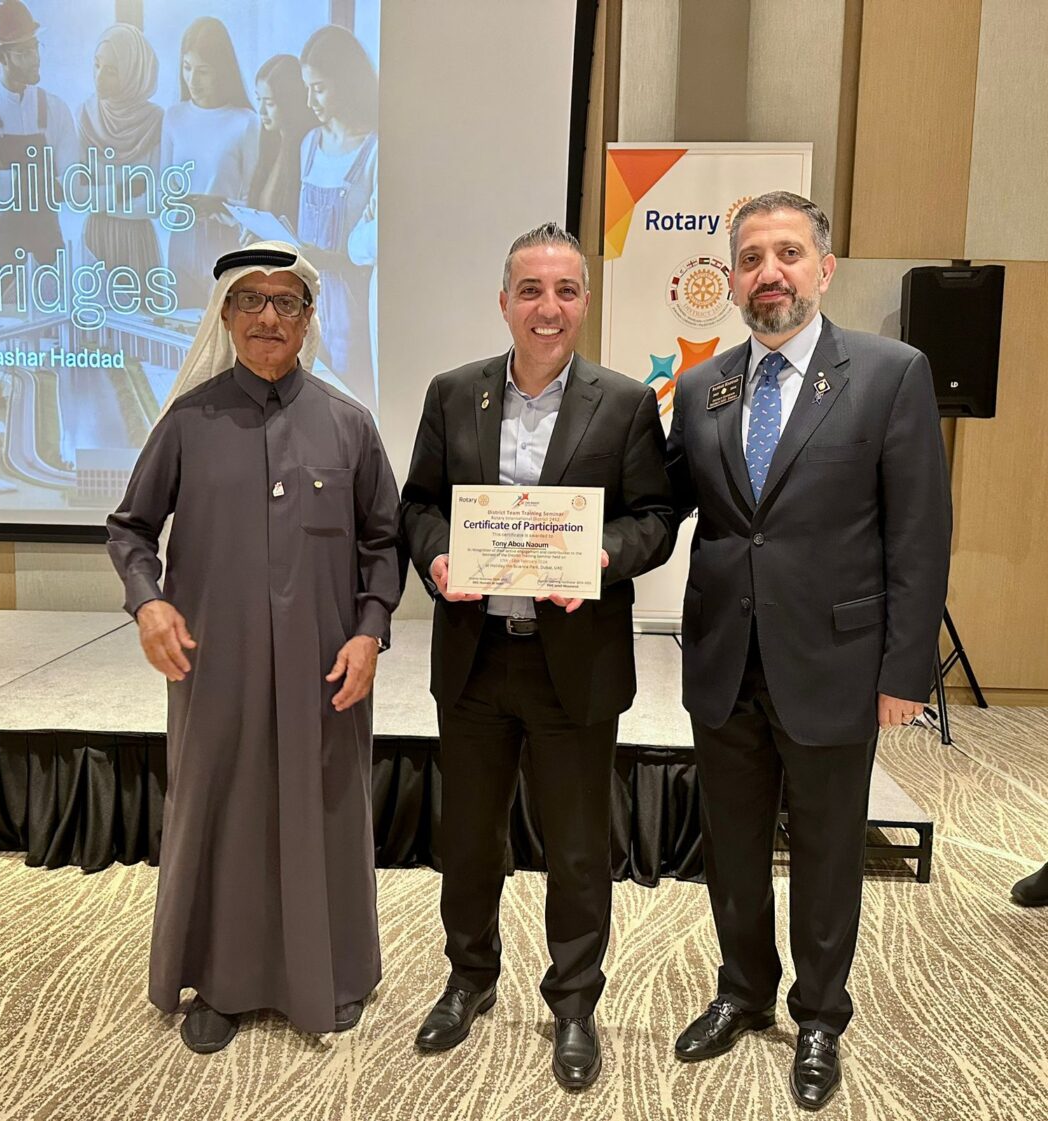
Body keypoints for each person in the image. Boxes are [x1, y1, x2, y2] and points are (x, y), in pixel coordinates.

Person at [664, 191, 951, 1110]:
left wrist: (905, 670)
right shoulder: (703, 387)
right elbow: (661, 507)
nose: (769, 273)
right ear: (732, 279)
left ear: (824, 269)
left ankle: (821, 1014)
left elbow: (919, 535)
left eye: (787, 253)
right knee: (732, 844)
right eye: (751, 258)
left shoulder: (889, 373)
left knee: (827, 849)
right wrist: (571, 542)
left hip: (836, 661)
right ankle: (744, 989)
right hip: (724, 659)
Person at [107, 240, 402, 1052]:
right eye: (252, 301)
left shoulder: (349, 424)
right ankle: (221, 981)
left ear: (308, 319)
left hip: (326, 666)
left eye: (286, 303)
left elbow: (385, 542)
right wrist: (148, 603)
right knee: (223, 808)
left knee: (325, 807)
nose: (269, 317)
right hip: (216, 661)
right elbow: (130, 528)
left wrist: (371, 631)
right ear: (228, 315)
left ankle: (330, 972)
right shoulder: (188, 421)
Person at [401, 222, 675, 1090]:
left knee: (579, 846)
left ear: (584, 302)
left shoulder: (625, 403)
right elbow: (418, 505)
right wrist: (438, 558)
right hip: (476, 657)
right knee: (469, 837)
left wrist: (601, 558)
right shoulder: (455, 393)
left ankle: (574, 1002)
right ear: (504, 301)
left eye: (563, 290)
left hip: (575, 663)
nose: (546, 307)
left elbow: (655, 520)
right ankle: (469, 977)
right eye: (530, 290)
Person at [0, 0, 78, 284]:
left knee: (53, 311)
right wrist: (41, 179)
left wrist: (5, 176)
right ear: (1, 56)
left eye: (35, 47)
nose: (35, 59)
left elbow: (72, 185)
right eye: (24, 52)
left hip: (47, 250)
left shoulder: (55, 109)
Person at [297, 26, 378, 411]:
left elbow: (373, 244)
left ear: (345, 83)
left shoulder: (374, 149)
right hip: (306, 299)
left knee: (351, 404)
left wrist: (331, 257)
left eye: (319, 89)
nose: (309, 100)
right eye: (307, 88)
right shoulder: (309, 144)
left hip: (351, 305)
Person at [160, 17, 259, 308]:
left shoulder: (246, 122)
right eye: (187, 68)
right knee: (181, 324)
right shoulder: (173, 117)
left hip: (225, 240)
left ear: (222, 71)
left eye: (203, 71)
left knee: (225, 324)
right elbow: (163, 186)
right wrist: (173, 201)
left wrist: (217, 204)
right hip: (181, 236)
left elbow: (252, 201)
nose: (192, 80)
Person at [76, 23, 163, 276]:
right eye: (97, 65)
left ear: (134, 73)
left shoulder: (156, 120)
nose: (99, 77)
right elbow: (78, 195)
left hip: (136, 241)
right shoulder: (85, 115)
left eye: (111, 71)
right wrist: (123, 191)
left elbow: (154, 203)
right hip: (96, 236)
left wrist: (101, 200)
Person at [247, 54, 317, 235]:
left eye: (269, 103)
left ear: (289, 103)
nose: (261, 111)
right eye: (258, 99)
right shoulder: (271, 145)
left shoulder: (308, 150)